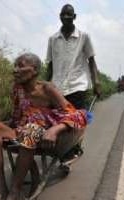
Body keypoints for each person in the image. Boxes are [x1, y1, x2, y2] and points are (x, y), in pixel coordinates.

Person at [0, 53, 87, 200]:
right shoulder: (17, 89)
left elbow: (74, 115)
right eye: (15, 66)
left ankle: (15, 190)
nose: (15, 70)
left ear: (34, 70)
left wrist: (54, 129)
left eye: (20, 66)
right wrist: (4, 127)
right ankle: (1, 189)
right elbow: (17, 116)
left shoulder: (47, 89)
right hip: (25, 130)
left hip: (45, 132)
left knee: (31, 130)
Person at [46, 4, 101, 158]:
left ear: (74, 16)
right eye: (63, 14)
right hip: (57, 87)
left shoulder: (84, 37)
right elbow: (50, 65)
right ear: (59, 16)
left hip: (77, 85)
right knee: (57, 120)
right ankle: (61, 150)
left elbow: (91, 61)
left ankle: (72, 150)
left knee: (75, 121)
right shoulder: (53, 39)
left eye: (69, 15)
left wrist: (96, 82)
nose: (66, 17)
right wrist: (44, 86)